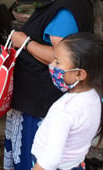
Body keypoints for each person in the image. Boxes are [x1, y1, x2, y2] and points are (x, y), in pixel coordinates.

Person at [3, 0, 103, 170]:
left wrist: (25, 42)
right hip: (45, 97)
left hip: (41, 100)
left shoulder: (66, 9)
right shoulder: (78, 0)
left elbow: (60, 57)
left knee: (36, 154)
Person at [31, 32, 103, 170]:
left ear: (79, 74)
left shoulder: (64, 111)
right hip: (75, 164)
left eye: (57, 62)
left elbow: (50, 160)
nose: (51, 65)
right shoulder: (95, 97)